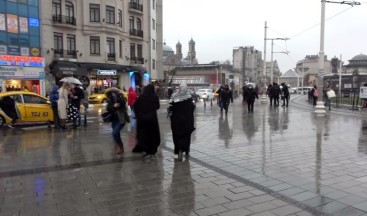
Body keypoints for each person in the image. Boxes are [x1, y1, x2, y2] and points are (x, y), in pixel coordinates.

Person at [168, 83, 195, 161]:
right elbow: (192, 108)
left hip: (176, 121)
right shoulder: (189, 97)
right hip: (187, 120)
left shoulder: (174, 96)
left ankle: (179, 149)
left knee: (177, 136)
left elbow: (170, 107)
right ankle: (186, 150)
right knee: (186, 135)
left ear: (179, 88)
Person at [132, 84, 160, 157]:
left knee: (144, 135)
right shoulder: (155, 96)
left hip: (143, 120)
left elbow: (135, 106)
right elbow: (157, 106)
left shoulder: (141, 97)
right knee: (153, 135)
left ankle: (146, 150)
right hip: (152, 119)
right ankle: (152, 152)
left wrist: (138, 114)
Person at [105, 87, 129, 154]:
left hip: (121, 118)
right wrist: (114, 106)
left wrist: (119, 94)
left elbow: (123, 103)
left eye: (114, 92)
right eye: (111, 93)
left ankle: (121, 147)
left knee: (115, 133)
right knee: (116, 134)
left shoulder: (121, 97)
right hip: (114, 119)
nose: (113, 94)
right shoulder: (111, 100)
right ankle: (118, 146)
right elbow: (108, 108)